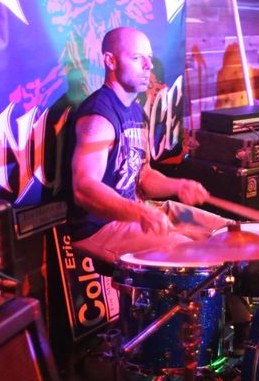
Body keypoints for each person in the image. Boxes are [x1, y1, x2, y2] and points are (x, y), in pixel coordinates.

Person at [66, 26, 229, 262]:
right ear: (110, 61)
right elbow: (84, 188)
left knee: (228, 232)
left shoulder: (135, 110)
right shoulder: (98, 118)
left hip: (138, 211)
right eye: (136, 58)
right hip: (102, 227)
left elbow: (143, 175)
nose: (148, 66)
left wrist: (179, 185)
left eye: (149, 58)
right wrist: (141, 212)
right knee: (196, 255)